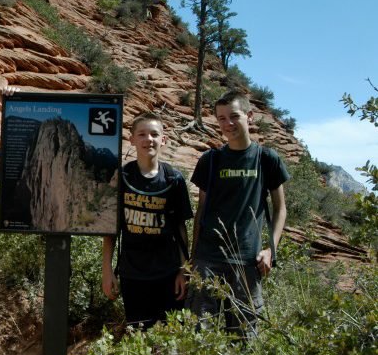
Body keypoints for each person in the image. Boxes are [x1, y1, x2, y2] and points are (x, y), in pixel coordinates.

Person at [188, 91, 289, 338]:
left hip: (247, 262)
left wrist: (270, 250)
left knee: (244, 339)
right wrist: (192, 260)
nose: (228, 124)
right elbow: (201, 211)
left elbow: (280, 208)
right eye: (221, 118)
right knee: (201, 337)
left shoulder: (266, 159)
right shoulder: (210, 160)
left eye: (234, 116)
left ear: (250, 116)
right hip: (207, 260)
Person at [102, 112, 194, 329]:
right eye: (142, 134)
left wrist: (184, 270)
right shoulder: (122, 177)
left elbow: (181, 230)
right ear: (132, 139)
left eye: (154, 134)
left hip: (168, 273)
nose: (148, 139)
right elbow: (111, 229)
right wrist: (107, 270)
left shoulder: (174, 179)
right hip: (132, 274)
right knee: (139, 335)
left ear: (163, 140)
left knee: (170, 337)